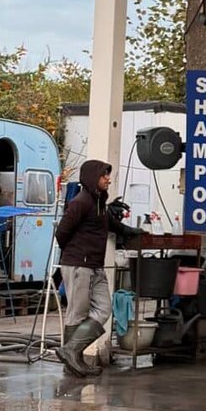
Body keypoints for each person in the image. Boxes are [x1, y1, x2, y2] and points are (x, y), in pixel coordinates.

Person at [54, 159, 134, 376]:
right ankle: (73, 361)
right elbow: (61, 233)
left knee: (104, 309)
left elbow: (109, 223)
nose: (108, 179)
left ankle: (71, 351)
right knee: (77, 314)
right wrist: (77, 253)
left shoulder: (98, 203)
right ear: (92, 177)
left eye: (108, 175)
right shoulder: (80, 202)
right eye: (104, 175)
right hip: (80, 265)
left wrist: (129, 231)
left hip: (94, 266)